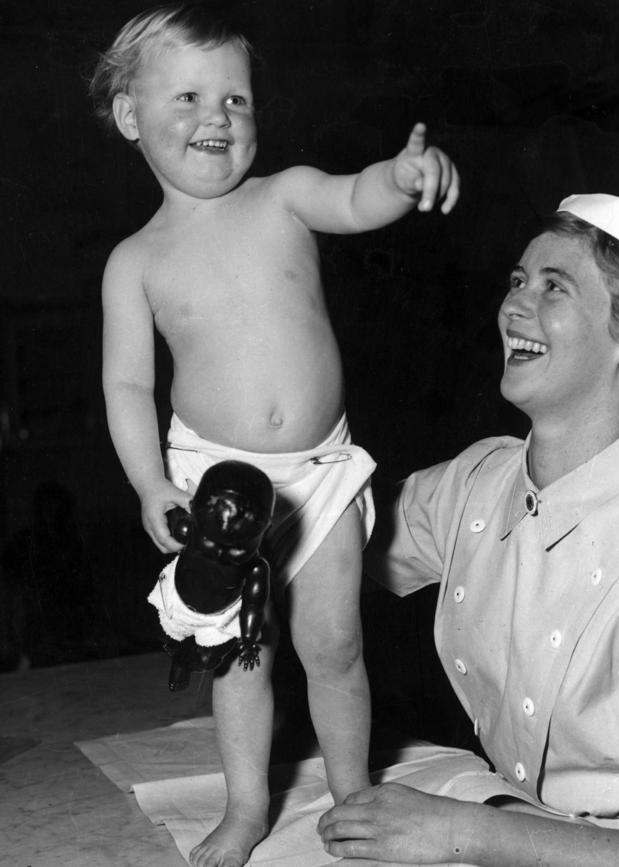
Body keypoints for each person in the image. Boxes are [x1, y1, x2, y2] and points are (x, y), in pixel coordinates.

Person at [89, 4, 460, 866]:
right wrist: (150, 483)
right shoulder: (135, 260)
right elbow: (127, 383)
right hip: (213, 486)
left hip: (321, 468)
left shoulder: (284, 195)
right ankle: (248, 805)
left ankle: (354, 794)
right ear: (131, 116)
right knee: (240, 658)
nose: (218, 116)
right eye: (188, 96)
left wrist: (400, 178)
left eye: (237, 100)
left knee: (333, 641)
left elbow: (353, 198)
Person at [318, 193, 619, 866]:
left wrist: (470, 831)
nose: (515, 305)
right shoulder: (479, 481)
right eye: (518, 281)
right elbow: (331, 546)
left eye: (554, 287)